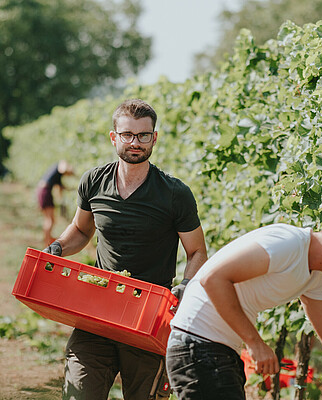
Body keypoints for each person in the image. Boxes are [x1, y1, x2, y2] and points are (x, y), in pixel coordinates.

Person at [44, 99, 208, 400]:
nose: (136, 142)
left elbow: (197, 251)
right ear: (113, 137)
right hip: (96, 310)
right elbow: (81, 230)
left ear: (154, 138)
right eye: (127, 135)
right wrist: (57, 247)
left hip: (149, 319)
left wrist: (184, 286)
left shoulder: (174, 194)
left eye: (144, 135)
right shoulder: (94, 181)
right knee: (79, 394)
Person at [166, 209, 322, 400]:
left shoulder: (316, 277)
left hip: (216, 352)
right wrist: (255, 343)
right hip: (198, 347)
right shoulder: (287, 244)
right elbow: (212, 278)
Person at [37, 160, 74, 246]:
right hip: (45, 192)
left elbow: (61, 189)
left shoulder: (57, 177)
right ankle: (47, 243)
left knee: (51, 219)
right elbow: (63, 169)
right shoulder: (62, 164)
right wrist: (70, 171)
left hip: (43, 191)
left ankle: (48, 240)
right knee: (49, 219)